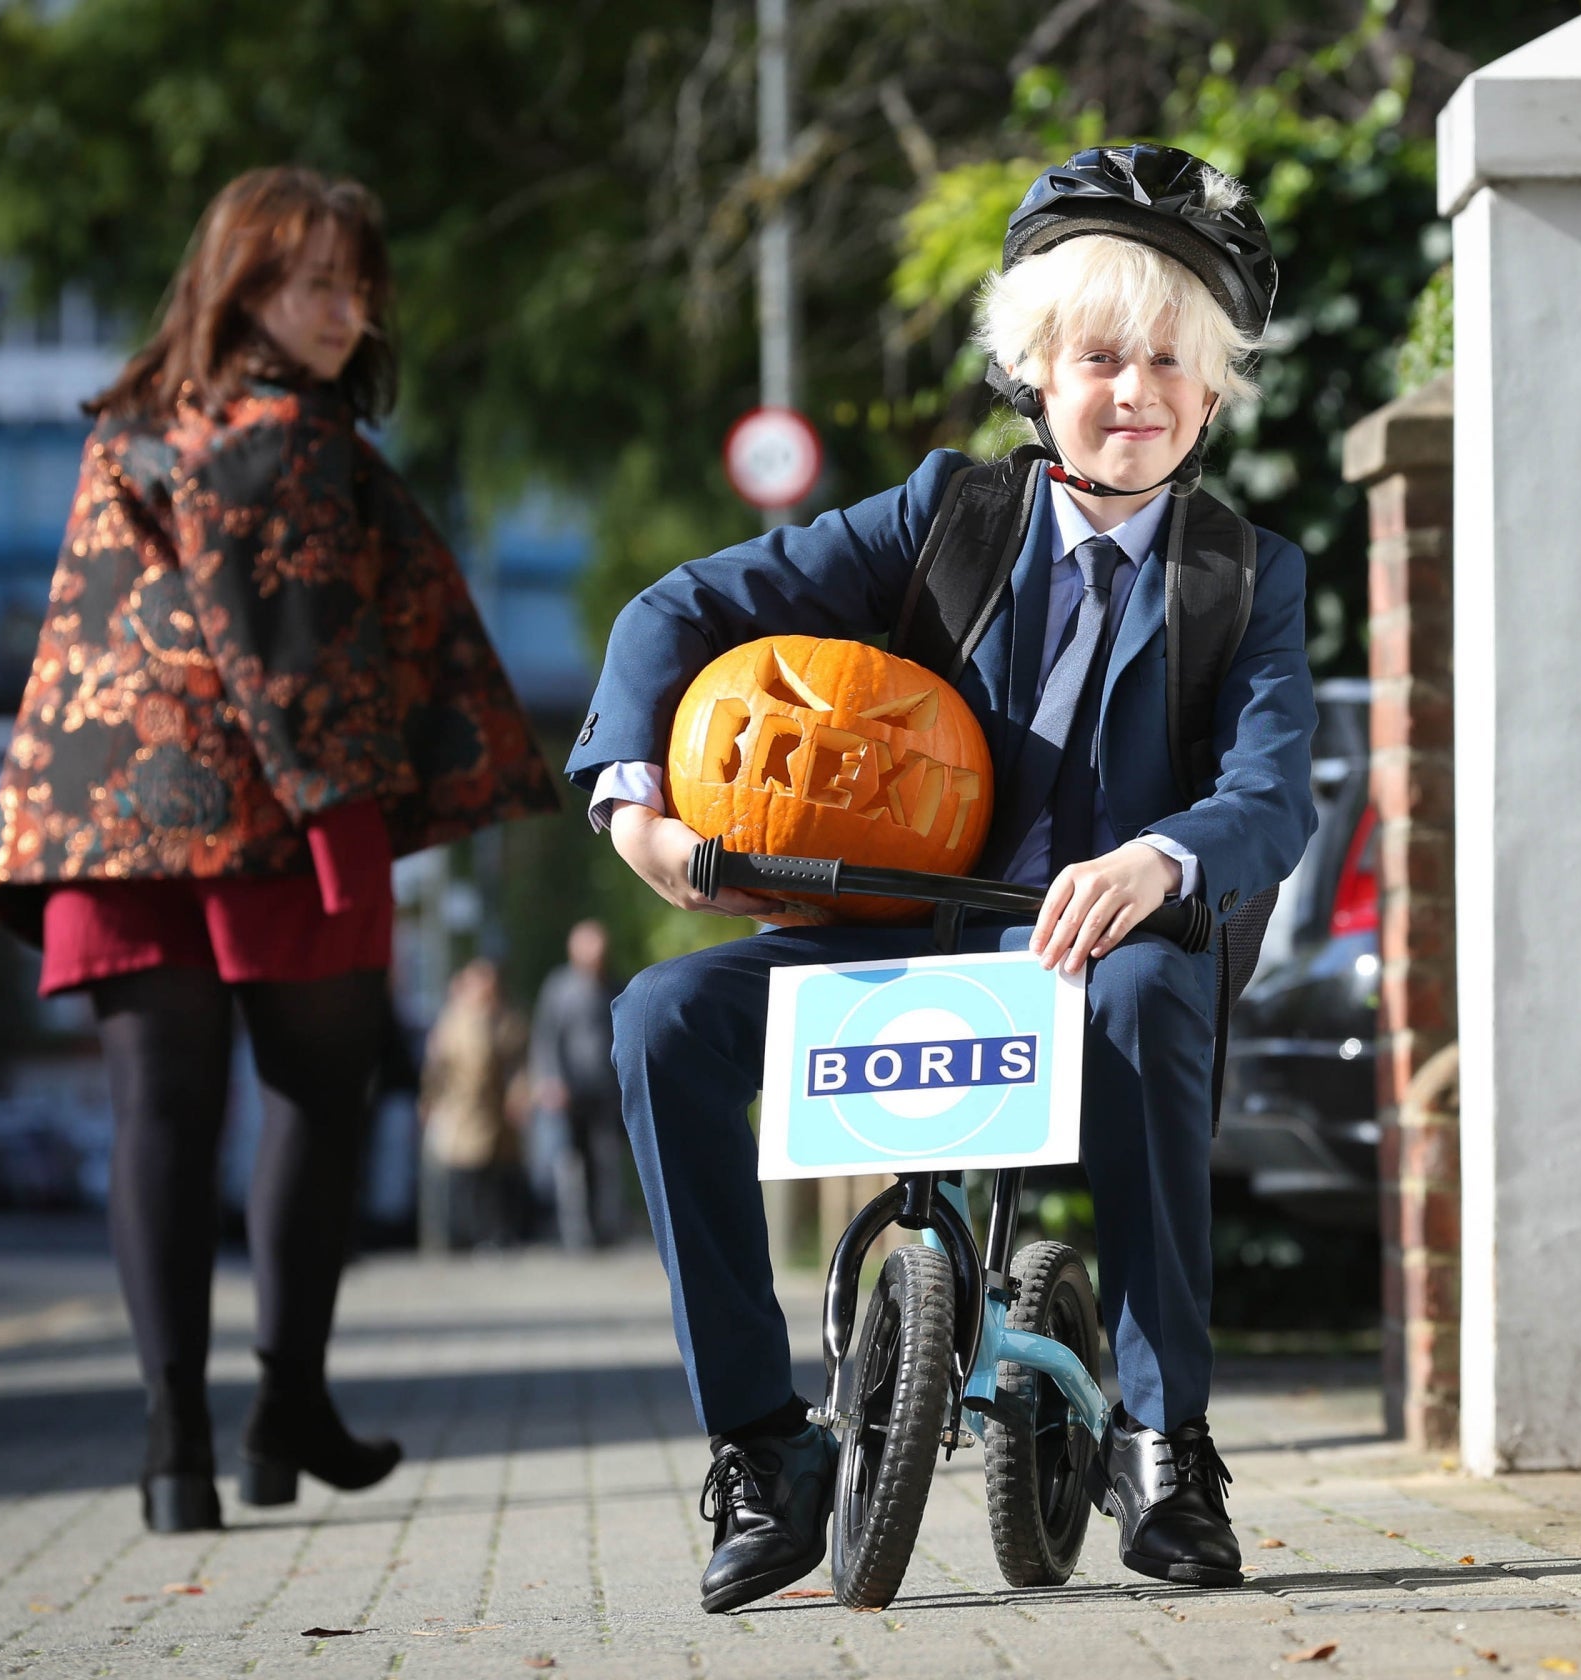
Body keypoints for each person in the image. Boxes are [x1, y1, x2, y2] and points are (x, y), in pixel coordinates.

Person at [571, 145, 1314, 1612]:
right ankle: (759, 1446)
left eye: (1172, 362)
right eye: (1100, 355)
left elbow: (1270, 792)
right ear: (1035, 370)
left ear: (1215, 394)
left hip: (1113, 956)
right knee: (661, 1022)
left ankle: (1168, 1445)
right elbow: (684, 604)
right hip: (909, 931)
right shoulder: (944, 519)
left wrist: (1161, 857)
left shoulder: (1245, 575)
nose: (1136, 392)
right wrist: (634, 803)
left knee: (1159, 997)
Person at [0, 166, 558, 1534]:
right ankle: (285, 1402)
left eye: (360, 286)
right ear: (246, 288)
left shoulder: (135, 427)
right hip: (272, 818)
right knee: (316, 1097)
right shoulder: (285, 434)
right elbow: (286, 645)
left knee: (157, 1119)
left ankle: (175, 1445)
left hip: (110, 825)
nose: (348, 312)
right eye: (316, 285)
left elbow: (94, 640)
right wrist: (347, 818)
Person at [418, 958, 530, 1250]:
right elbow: (436, 1068)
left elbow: (519, 1064)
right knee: (464, 1172)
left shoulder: (507, 1019)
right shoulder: (453, 1022)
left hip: (497, 1112)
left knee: (498, 1175)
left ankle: (496, 1233)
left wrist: (519, 1094)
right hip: (463, 1109)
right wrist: (429, 1100)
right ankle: (461, 1235)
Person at [529, 919, 627, 1249]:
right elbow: (546, 1037)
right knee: (572, 1164)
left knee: (608, 1158)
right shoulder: (559, 988)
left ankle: (608, 1226)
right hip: (571, 1092)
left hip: (608, 1090)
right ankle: (577, 1232)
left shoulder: (614, 985)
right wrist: (551, 1080)